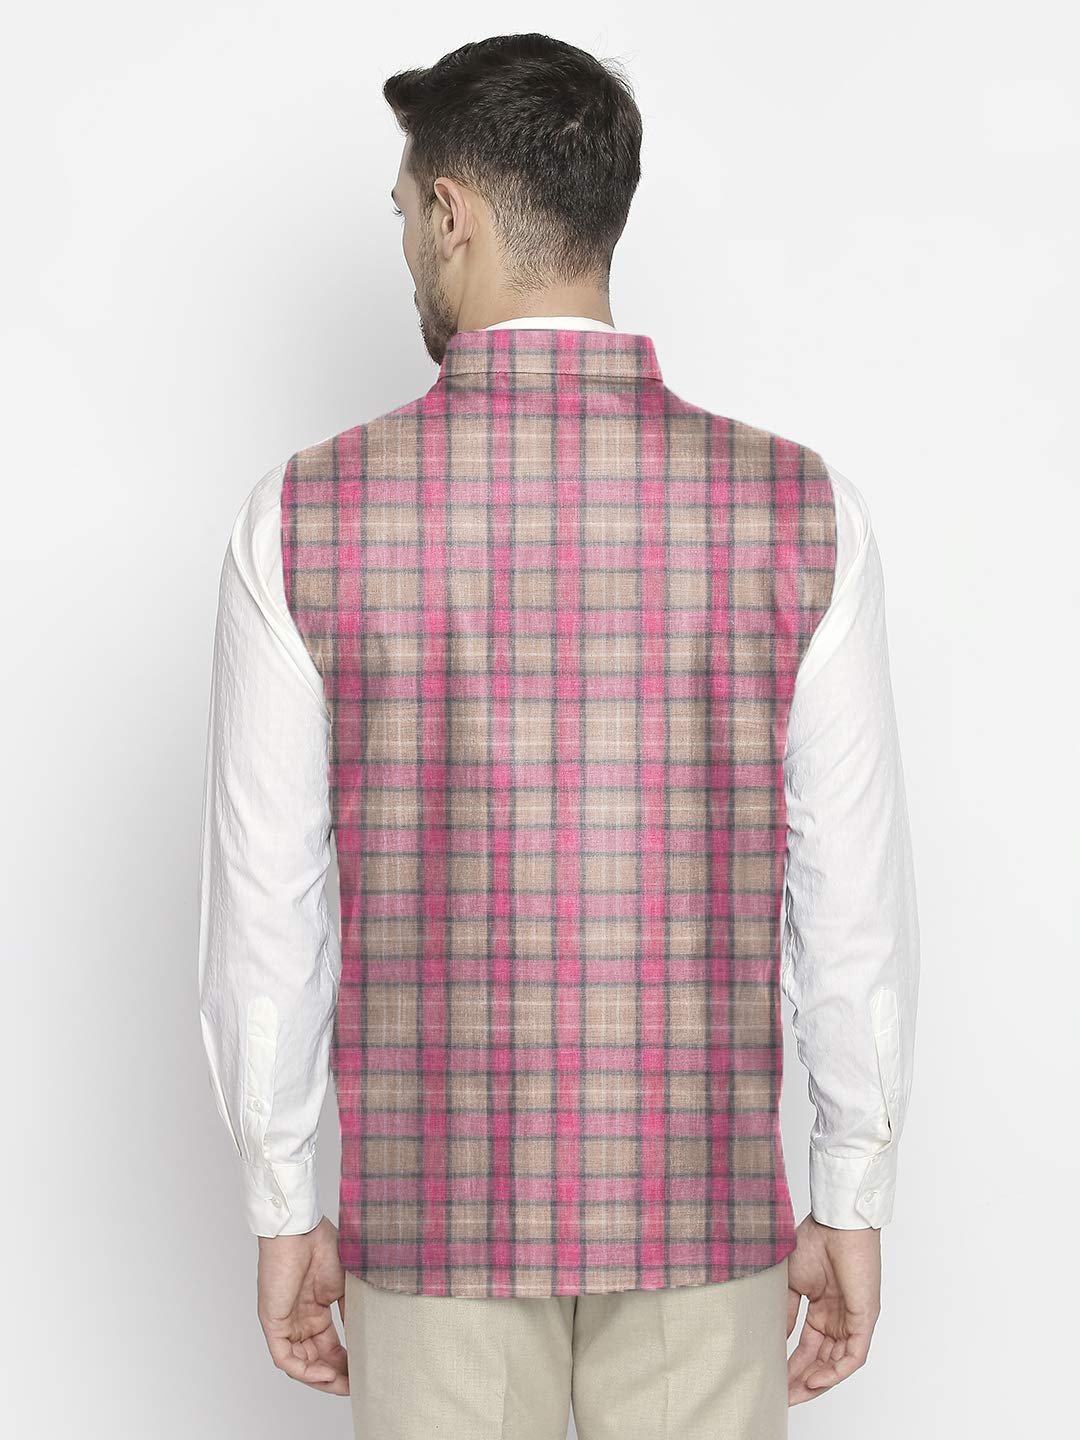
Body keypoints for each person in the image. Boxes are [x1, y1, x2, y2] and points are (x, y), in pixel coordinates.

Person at [197, 31, 920, 1440]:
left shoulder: (303, 518)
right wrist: (853, 1189)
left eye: (405, 214)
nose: (408, 245)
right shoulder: (798, 512)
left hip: (433, 1227)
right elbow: (852, 906)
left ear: (452, 213)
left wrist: (284, 1203)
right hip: (703, 1221)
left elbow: (266, 909)